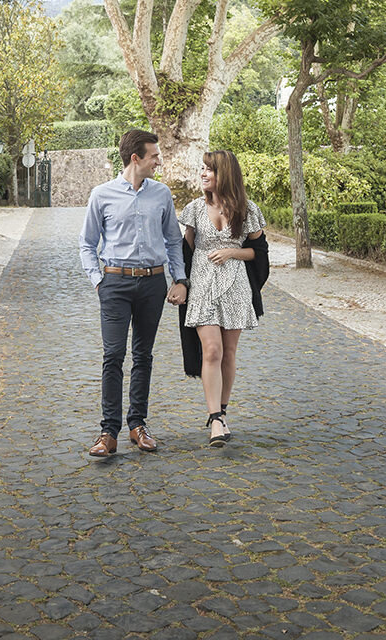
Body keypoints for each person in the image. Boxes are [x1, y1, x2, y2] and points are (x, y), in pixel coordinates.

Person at [78, 129, 188, 457]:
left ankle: (137, 424)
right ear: (135, 158)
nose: (160, 161)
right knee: (113, 355)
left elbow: (172, 241)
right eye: (154, 156)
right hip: (115, 284)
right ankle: (108, 432)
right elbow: (87, 243)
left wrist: (179, 279)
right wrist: (99, 280)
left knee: (143, 356)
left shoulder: (162, 194)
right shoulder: (102, 195)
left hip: (153, 284)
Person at [177, 150, 268, 447]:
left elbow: (260, 253)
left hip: (235, 284)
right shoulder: (192, 209)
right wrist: (180, 283)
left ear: (224, 174)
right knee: (212, 350)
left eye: (209, 170)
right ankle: (214, 417)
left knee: (229, 352)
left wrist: (231, 252)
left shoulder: (247, 209)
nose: (203, 174)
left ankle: (223, 412)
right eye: (202, 169)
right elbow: (184, 251)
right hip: (202, 284)